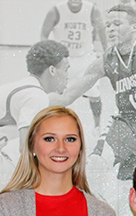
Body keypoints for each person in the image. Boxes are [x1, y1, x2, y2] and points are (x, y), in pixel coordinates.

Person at [57, 2, 136, 181]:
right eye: (108, 25)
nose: (111, 29)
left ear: (134, 27)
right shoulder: (105, 60)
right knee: (96, 163)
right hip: (127, 125)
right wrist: (38, 100)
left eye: (117, 24)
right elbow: (69, 94)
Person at [0, 41, 70, 198]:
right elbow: (25, 148)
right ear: (52, 70)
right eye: (65, 70)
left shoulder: (20, 87)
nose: (68, 77)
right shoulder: (35, 95)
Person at [40, 0, 107, 130]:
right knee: (58, 94)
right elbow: (43, 35)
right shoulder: (56, 10)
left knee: (94, 93)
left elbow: (101, 29)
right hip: (64, 58)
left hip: (85, 57)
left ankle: (97, 127)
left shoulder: (92, 10)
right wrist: (49, 53)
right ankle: (52, 124)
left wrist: (106, 51)